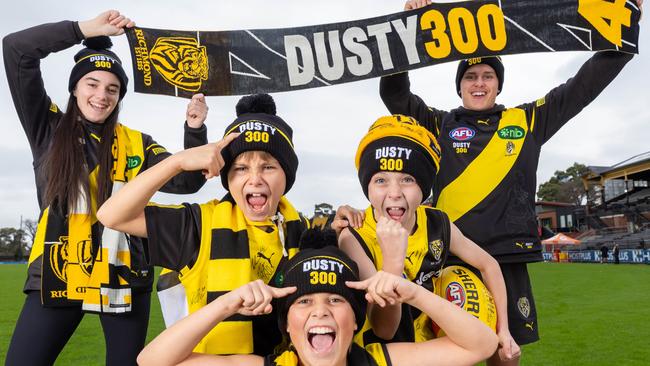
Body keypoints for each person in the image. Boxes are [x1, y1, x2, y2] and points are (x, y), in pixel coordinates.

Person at [379, 1, 642, 364]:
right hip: (451, 255)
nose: (479, 83)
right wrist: (407, 30)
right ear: (459, 88)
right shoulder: (437, 124)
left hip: (506, 258)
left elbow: (584, 85)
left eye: (487, 76)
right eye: (470, 77)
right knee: (440, 351)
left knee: (506, 354)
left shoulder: (528, 119)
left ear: (498, 85)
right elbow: (395, 96)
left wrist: (625, 21)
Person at [3, 10, 209, 366]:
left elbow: (187, 180)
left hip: (125, 279)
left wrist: (194, 129)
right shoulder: (48, 128)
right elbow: (16, 49)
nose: (102, 95)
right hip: (59, 275)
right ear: (74, 87)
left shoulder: (137, 144)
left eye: (112, 88)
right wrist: (82, 30)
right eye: (92, 84)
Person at [97, 93, 315, 356]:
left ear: (287, 175)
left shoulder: (304, 231)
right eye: (241, 169)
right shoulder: (200, 224)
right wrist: (177, 162)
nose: (255, 179)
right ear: (226, 177)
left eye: (268, 167)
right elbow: (111, 215)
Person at [136, 232, 498, 366]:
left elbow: (481, 345)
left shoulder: (378, 360)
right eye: (304, 302)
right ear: (286, 324)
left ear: (356, 320)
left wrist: (413, 292)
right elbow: (151, 361)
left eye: (336, 300)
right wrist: (225, 304)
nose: (320, 311)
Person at [338, 115, 517, 358]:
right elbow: (384, 329)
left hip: (432, 347)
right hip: (382, 353)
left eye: (407, 179)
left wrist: (504, 329)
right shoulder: (353, 236)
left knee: (504, 352)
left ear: (423, 187)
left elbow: (489, 264)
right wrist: (392, 263)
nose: (394, 193)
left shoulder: (437, 222)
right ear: (366, 187)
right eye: (380, 180)